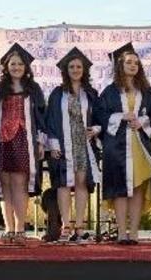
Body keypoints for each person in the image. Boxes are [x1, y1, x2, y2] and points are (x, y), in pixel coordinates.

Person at [96, 43, 151, 245]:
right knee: (120, 188)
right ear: (120, 65)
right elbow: (100, 115)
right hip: (116, 146)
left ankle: (134, 232)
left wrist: (142, 121)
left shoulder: (145, 91)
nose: (133, 65)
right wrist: (121, 116)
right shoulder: (109, 91)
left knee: (137, 188)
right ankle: (121, 232)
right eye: (128, 62)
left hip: (140, 145)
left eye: (136, 63)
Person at [0, 43, 46, 246]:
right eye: (13, 64)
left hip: (24, 138)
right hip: (2, 140)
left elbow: (41, 116)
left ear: (26, 67)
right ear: (6, 67)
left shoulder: (33, 89)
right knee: (4, 183)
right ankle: (9, 229)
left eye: (20, 64)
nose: (16, 67)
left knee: (20, 184)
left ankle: (20, 228)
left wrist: (40, 141)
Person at [46, 48, 101, 244]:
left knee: (81, 183)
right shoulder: (57, 93)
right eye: (72, 67)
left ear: (84, 70)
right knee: (63, 184)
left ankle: (79, 228)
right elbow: (50, 119)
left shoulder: (91, 93)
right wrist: (53, 143)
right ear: (66, 70)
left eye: (79, 66)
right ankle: (65, 227)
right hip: (63, 143)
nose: (75, 70)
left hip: (84, 144)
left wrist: (97, 128)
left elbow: (100, 117)